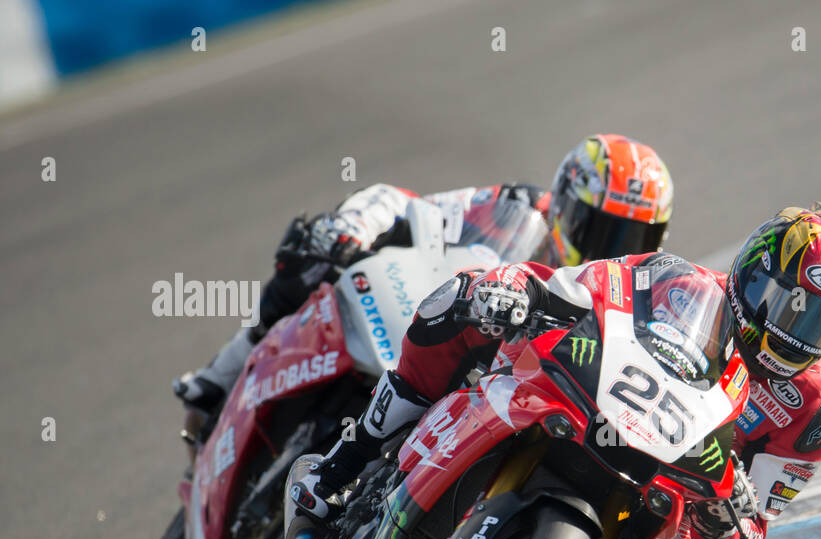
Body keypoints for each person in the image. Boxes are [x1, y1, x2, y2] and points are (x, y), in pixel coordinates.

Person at [290, 205, 821, 539]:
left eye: (819, 321)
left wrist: (725, 520)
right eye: (791, 308)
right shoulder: (682, 282)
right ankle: (345, 459)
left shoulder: (815, 411)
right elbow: (581, 286)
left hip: (670, 491)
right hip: (580, 403)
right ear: (755, 276)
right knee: (455, 304)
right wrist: (519, 291)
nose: (798, 333)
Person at [171, 134, 674, 412]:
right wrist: (350, 229)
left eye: (633, 240)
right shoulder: (518, 210)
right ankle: (223, 371)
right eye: (605, 230)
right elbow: (411, 208)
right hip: (411, 316)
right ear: (567, 202)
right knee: (309, 256)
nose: (614, 249)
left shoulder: (617, 293)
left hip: (482, 394)